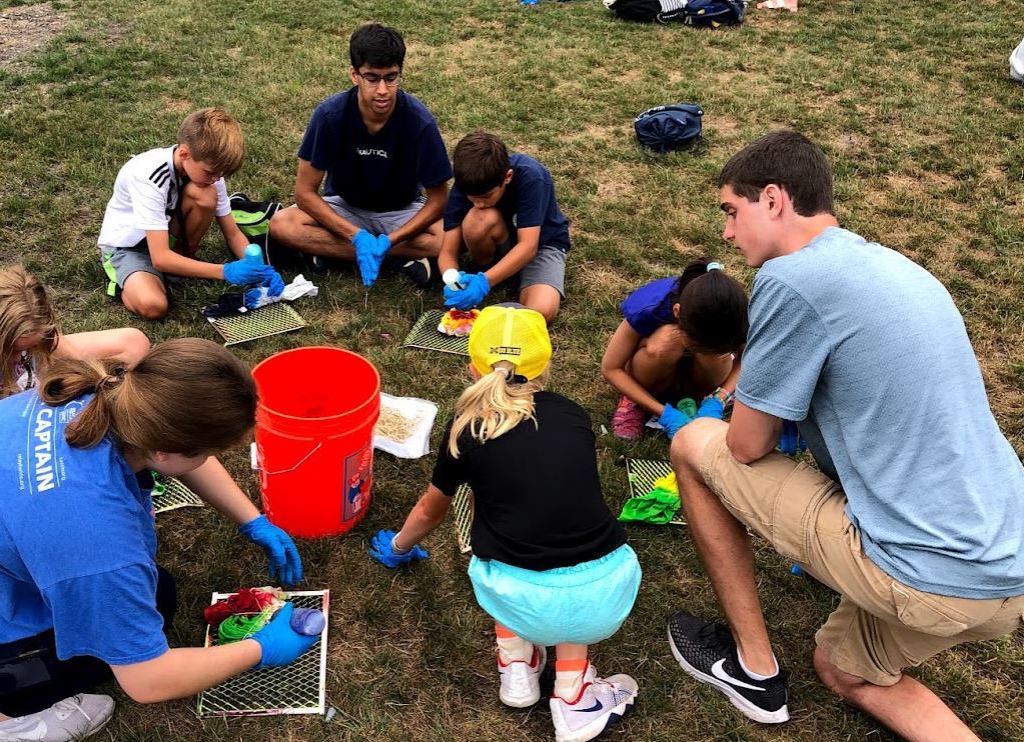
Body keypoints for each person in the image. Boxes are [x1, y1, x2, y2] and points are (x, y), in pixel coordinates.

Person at [665, 130, 1024, 739]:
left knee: (693, 444)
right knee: (843, 668)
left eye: (731, 210)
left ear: (773, 199)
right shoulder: (893, 265)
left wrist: (711, 417)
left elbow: (746, 445)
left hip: (924, 572)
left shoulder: (790, 279)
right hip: (1008, 569)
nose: (726, 232)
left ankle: (751, 669)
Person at [0, 338, 316, 742]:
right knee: (150, 606)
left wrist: (250, 519)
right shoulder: (97, 541)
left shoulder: (86, 392)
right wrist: (261, 648)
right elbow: (148, 680)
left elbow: (175, 447)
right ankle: (6, 722)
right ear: (165, 450)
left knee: (144, 594)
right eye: (208, 450)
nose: (211, 459)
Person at [370, 305, 641, 742]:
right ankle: (572, 691)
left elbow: (430, 510)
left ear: (473, 363)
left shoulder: (467, 426)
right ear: (547, 363)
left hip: (515, 597)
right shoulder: (573, 414)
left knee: (504, 557)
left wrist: (399, 547)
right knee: (566, 570)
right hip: (606, 592)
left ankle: (516, 663)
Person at [267, 23, 452, 288]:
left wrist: (392, 238)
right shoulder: (330, 116)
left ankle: (335, 253)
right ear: (354, 75)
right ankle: (396, 258)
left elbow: (439, 200)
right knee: (282, 225)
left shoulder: (419, 121)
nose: (382, 90)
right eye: (372, 78)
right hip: (345, 207)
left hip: (402, 210)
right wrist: (356, 237)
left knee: (454, 238)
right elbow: (304, 192)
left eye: (391, 78)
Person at [0, 266, 150, 434]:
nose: (19, 361)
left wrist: (90, 373)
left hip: (7, 377)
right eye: (11, 350)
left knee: (134, 344)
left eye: (32, 346)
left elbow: (45, 340)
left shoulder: (3, 292)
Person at [98, 107, 281, 319]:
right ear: (184, 153)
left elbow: (232, 233)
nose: (216, 179)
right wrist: (225, 272)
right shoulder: (148, 177)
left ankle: (181, 264)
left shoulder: (211, 174)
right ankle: (127, 281)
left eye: (220, 174)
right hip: (130, 247)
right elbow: (160, 258)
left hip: (164, 235)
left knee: (204, 194)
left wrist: (261, 270)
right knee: (153, 306)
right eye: (211, 172)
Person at [600, 258, 747, 440]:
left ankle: (703, 397)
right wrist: (663, 413)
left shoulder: (738, 316)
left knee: (716, 354)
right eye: (694, 345)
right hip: (652, 372)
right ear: (677, 312)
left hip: (697, 377)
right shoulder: (650, 307)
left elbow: (748, 355)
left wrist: (720, 397)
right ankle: (636, 399)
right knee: (666, 341)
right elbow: (611, 368)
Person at [438, 131, 572, 324]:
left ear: (507, 177)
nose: (478, 204)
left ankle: (493, 279)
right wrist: (451, 280)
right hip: (501, 241)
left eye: (486, 196)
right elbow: (447, 251)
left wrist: (484, 283)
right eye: (471, 197)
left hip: (541, 246)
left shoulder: (532, 177)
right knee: (479, 218)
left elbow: (528, 246)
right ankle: (491, 270)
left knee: (541, 312)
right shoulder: (466, 183)